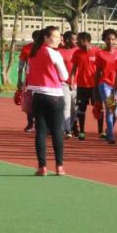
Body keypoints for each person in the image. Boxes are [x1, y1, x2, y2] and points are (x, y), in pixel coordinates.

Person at [26, 26, 69, 176]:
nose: (59, 40)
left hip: (38, 96)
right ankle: (59, 166)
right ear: (46, 37)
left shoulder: (33, 53)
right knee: (57, 131)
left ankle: (42, 167)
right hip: (55, 95)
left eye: (59, 37)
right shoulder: (54, 53)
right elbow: (64, 76)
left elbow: (28, 74)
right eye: (55, 37)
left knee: (41, 132)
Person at [69, 32, 99, 140]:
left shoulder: (97, 51)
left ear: (85, 41)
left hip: (95, 86)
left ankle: (101, 131)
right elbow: (74, 69)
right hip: (82, 86)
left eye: (79, 40)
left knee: (98, 108)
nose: (77, 42)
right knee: (81, 109)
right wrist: (72, 81)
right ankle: (81, 131)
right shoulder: (77, 53)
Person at [93, 29, 117, 143]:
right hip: (105, 84)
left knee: (116, 112)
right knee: (110, 109)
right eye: (108, 39)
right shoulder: (100, 54)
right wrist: (95, 88)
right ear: (104, 40)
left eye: (113, 39)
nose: (110, 41)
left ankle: (109, 130)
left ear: (116, 40)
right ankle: (111, 135)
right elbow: (97, 71)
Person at [18, 33, 41, 133]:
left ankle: (41, 124)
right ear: (33, 38)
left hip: (44, 80)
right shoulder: (27, 48)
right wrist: (19, 79)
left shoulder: (47, 48)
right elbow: (21, 65)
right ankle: (30, 123)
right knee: (28, 102)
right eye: (37, 38)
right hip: (29, 80)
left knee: (42, 102)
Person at [58, 31, 77, 139]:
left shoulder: (78, 51)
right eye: (74, 39)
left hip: (77, 84)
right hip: (64, 83)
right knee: (66, 107)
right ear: (67, 40)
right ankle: (67, 129)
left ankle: (69, 126)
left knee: (75, 109)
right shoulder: (58, 52)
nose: (76, 41)